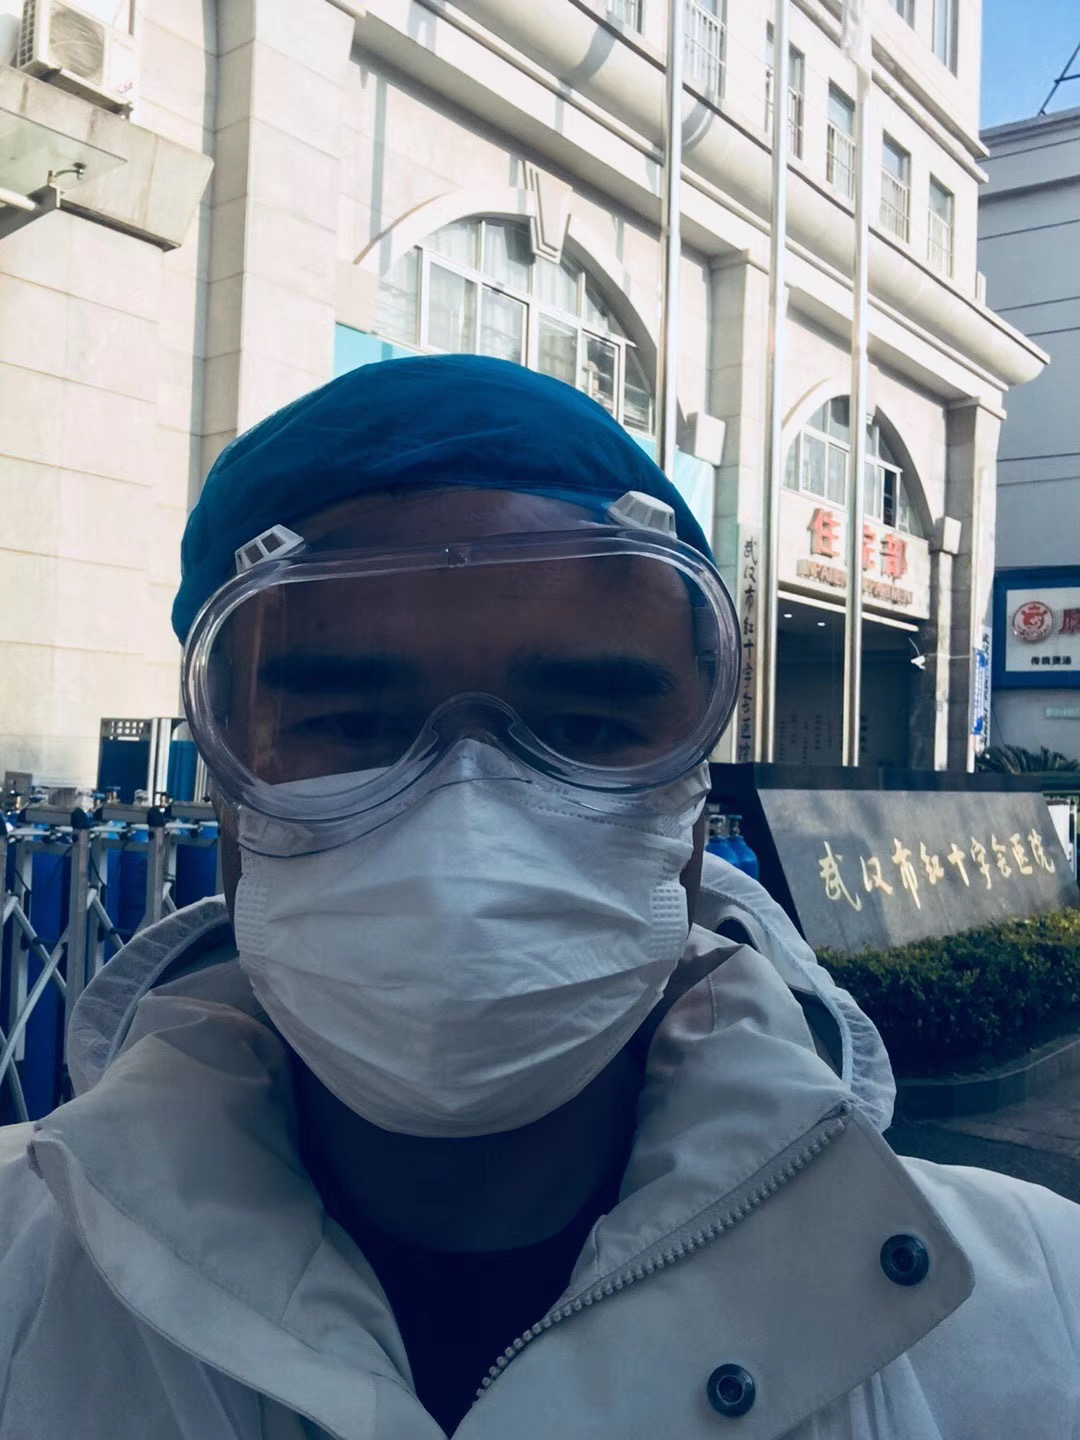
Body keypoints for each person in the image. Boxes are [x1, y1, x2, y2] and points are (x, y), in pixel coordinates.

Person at [1, 355, 1078, 1440]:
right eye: (354, 726)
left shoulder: (1039, 1312)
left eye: (586, 729)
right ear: (230, 784)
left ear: (690, 797)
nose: (467, 821)